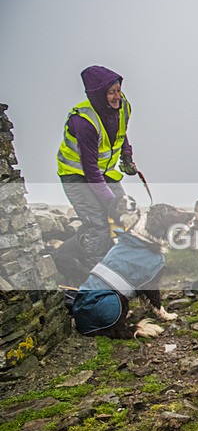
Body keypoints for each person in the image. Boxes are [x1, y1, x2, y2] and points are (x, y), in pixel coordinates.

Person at [55, 65, 138, 283]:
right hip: (76, 175)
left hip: (105, 172)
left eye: (118, 90)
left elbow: (120, 132)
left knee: (123, 219)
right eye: (111, 92)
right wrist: (111, 203)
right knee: (99, 225)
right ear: (97, 95)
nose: (117, 96)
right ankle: (99, 280)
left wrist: (126, 157)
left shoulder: (122, 105)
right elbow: (90, 171)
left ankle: (123, 270)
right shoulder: (83, 122)